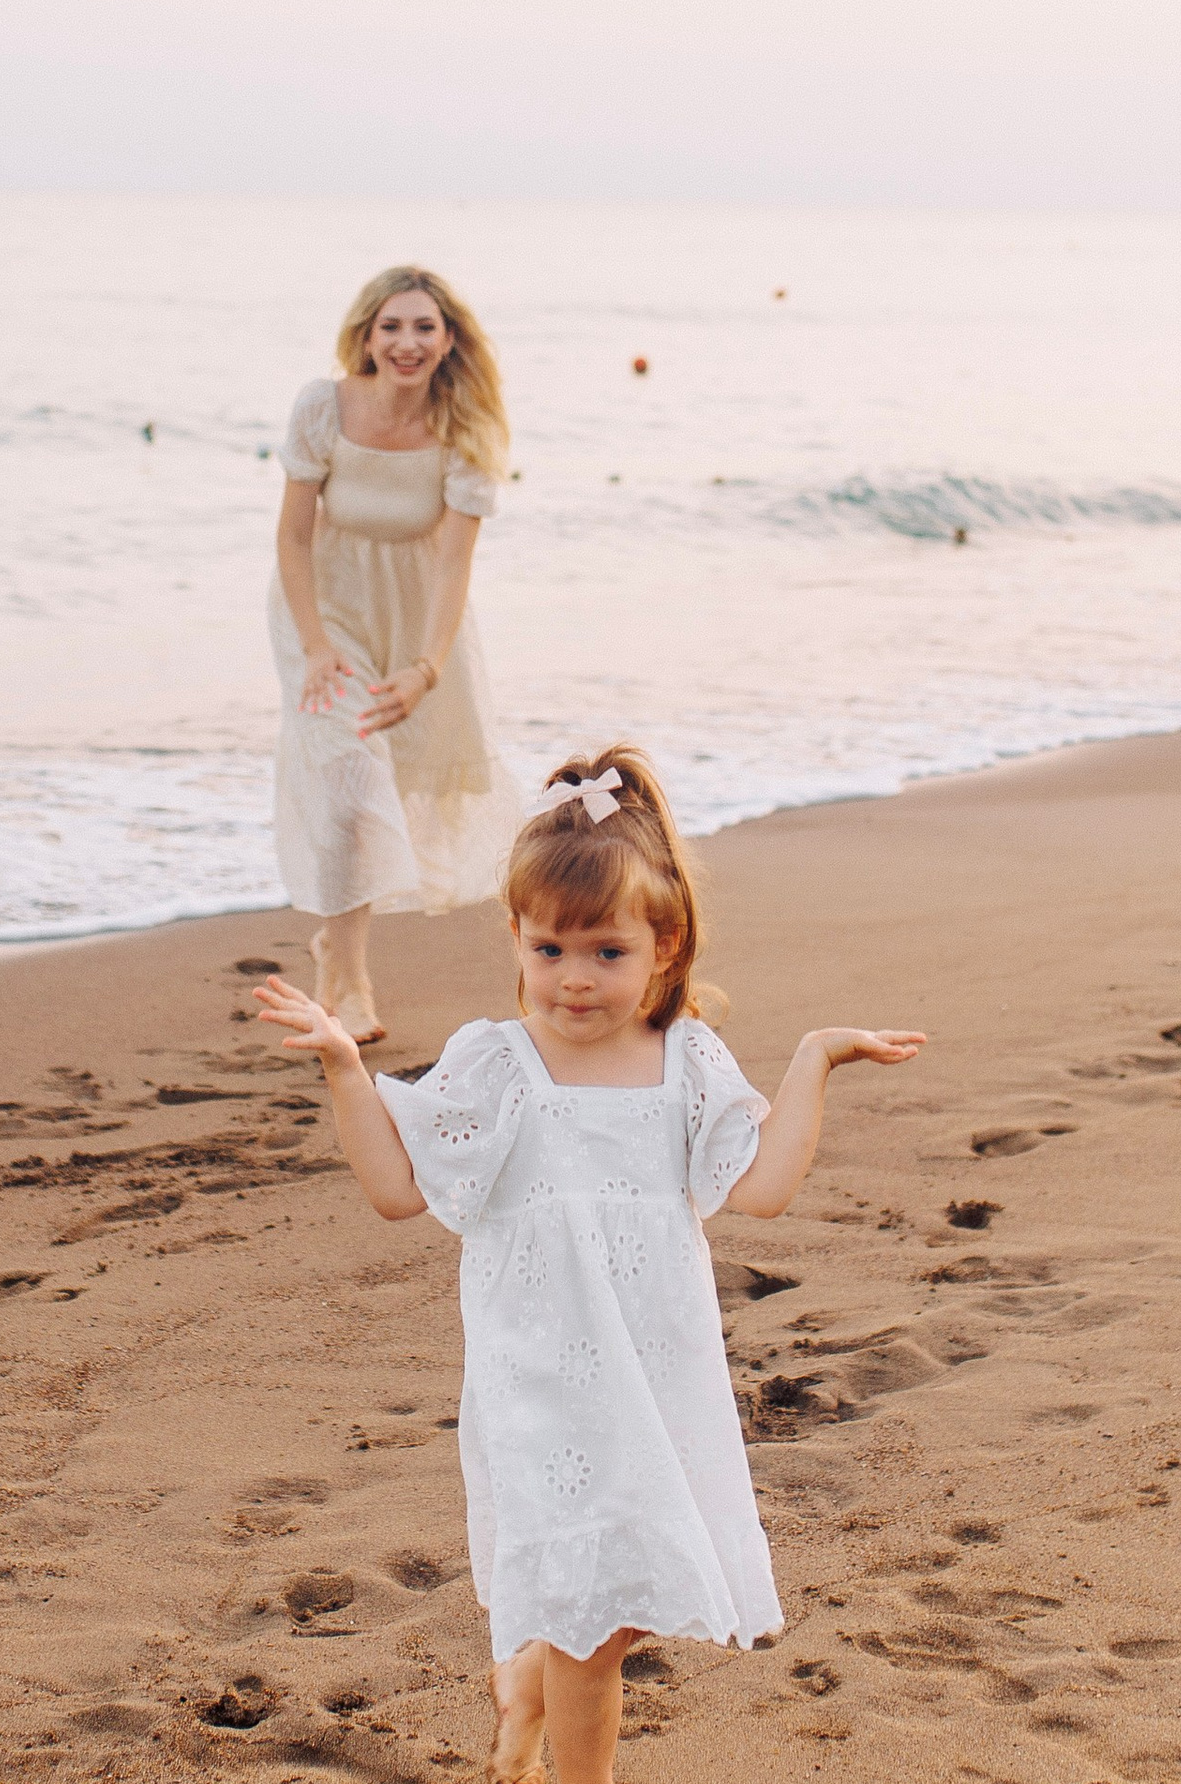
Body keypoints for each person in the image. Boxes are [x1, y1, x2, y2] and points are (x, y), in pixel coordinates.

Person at [253, 747, 926, 1784]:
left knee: (617, 1607)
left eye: (606, 951)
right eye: (550, 947)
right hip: (540, 1382)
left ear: (663, 947)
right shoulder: (496, 1061)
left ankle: (521, 1686)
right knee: (590, 1613)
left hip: (656, 1377)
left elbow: (761, 1187)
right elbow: (397, 1189)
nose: (574, 976)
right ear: (515, 938)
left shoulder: (685, 1062)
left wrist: (812, 1060)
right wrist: (347, 1066)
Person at [270, 265, 520, 1046]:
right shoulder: (323, 407)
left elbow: (453, 566)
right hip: (325, 609)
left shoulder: (468, 428)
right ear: (367, 335)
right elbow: (294, 534)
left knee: (390, 783)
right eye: (392, 327)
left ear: (449, 341)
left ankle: (335, 949)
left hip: (418, 621)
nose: (407, 343)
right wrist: (314, 646)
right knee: (346, 777)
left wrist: (426, 669)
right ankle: (350, 978)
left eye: (424, 328)